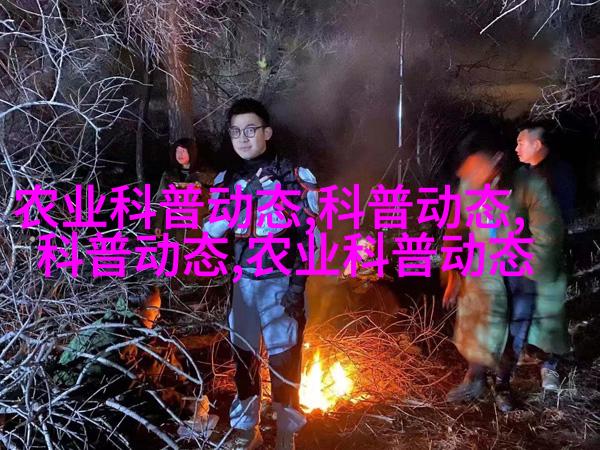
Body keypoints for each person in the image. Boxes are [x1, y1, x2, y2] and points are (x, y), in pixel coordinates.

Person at [203, 98, 319, 450]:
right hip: (244, 285)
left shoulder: (294, 176)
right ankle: (246, 430)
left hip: (280, 283)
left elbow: (311, 238)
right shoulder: (226, 179)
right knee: (244, 361)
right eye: (236, 131)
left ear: (267, 132)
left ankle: (287, 432)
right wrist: (238, 205)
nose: (243, 138)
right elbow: (212, 233)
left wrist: (296, 288)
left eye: (251, 130)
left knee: (284, 361)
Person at [443, 138, 564, 412]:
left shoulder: (527, 184)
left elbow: (548, 230)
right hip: (484, 261)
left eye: (476, 167)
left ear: (497, 159)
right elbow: (455, 226)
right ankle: (475, 379)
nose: (470, 175)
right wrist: (452, 273)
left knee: (515, 327)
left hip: (520, 263)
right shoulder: (469, 186)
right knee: (477, 321)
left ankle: (502, 384)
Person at [515, 121, 573, 391]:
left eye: (520, 143)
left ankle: (549, 366)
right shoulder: (523, 175)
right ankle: (527, 352)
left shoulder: (558, 173)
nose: (516, 148)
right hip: (522, 250)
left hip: (548, 251)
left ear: (536, 144)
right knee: (525, 305)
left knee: (550, 309)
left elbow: (561, 217)